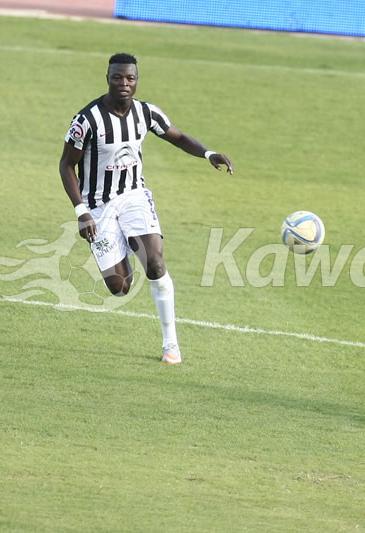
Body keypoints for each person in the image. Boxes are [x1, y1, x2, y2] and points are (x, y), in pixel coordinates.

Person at [59, 53, 234, 365]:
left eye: (130, 78)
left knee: (154, 263)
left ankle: (171, 345)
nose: (124, 83)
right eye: (117, 77)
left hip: (134, 197)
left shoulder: (146, 113)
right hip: (98, 207)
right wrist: (81, 212)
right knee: (119, 288)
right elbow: (66, 165)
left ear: (137, 81)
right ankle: (122, 241)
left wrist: (208, 153)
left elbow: (178, 137)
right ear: (107, 78)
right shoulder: (87, 120)